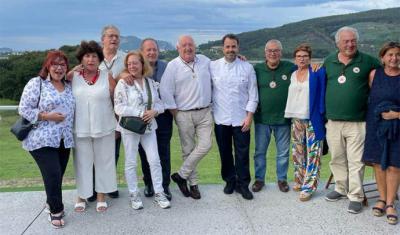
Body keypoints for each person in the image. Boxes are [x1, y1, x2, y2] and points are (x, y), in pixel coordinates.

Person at [323, 26, 381, 214]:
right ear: (338, 43)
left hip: (358, 121)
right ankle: (340, 188)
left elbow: (389, 70)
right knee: (337, 158)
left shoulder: (368, 61)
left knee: (356, 160)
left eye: (352, 40)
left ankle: (356, 196)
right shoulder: (328, 61)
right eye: (346, 41)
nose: (350, 44)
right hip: (332, 121)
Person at [18, 50, 75, 228]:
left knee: (57, 176)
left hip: (64, 140)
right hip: (41, 139)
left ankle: (51, 202)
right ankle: (56, 210)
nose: (59, 68)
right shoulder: (37, 83)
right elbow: (24, 109)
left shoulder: (68, 86)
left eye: (62, 64)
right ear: (48, 66)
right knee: (53, 173)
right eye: (55, 64)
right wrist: (47, 116)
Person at [115, 51, 170, 209]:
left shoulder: (150, 83)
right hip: (130, 128)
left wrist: (154, 112)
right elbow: (119, 107)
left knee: (154, 160)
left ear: (142, 64)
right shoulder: (123, 84)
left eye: (135, 63)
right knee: (131, 161)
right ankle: (134, 194)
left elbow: (160, 104)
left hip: (149, 127)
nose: (132, 66)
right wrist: (139, 113)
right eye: (129, 64)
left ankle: (159, 192)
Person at [160, 35, 213, 199]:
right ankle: (193, 184)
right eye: (184, 45)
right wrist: (175, 112)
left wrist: (239, 59)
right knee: (187, 150)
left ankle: (181, 175)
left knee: (206, 145)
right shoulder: (172, 66)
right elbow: (165, 90)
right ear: (178, 48)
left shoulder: (205, 61)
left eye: (190, 45)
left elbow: (221, 69)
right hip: (184, 113)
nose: (188, 48)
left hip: (205, 112)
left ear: (195, 46)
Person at [69, 40, 118, 213]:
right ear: (81, 59)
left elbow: (116, 101)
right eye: (87, 56)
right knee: (82, 163)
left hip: (105, 126)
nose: (90, 60)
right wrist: (72, 70)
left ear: (99, 59)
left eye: (94, 56)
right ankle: (81, 196)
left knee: (104, 162)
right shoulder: (72, 77)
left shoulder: (107, 76)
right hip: (80, 128)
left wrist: (118, 126)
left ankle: (101, 196)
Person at [210, 34, 258, 200]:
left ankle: (243, 185)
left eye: (233, 47)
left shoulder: (247, 68)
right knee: (225, 152)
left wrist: (249, 116)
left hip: (241, 119)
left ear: (238, 48)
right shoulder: (212, 66)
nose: (231, 50)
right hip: (220, 119)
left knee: (242, 154)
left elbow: (253, 95)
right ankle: (229, 181)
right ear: (222, 48)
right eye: (228, 47)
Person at [362, 41, 400, 225]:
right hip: (375, 126)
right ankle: (382, 199)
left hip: (397, 128)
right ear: (382, 57)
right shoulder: (374, 75)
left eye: (397, 54)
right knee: (378, 163)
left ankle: (391, 203)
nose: (394, 58)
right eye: (390, 54)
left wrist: (397, 114)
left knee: (394, 165)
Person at [284, 44, 326, 202]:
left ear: (310, 58)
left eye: (305, 56)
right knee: (298, 152)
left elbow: (322, 94)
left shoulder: (317, 72)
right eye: (299, 56)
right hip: (296, 117)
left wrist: (322, 115)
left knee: (314, 153)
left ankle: (309, 187)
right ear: (295, 59)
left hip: (312, 118)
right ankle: (299, 179)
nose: (302, 59)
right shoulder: (293, 73)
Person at [252, 39, 293, 193]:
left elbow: (305, 70)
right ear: (265, 53)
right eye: (270, 51)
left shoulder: (290, 67)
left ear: (280, 53)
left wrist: (314, 67)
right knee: (260, 152)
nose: (273, 53)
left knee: (283, 153)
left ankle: (282, 179)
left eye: (276, 50)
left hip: (283, 119)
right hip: (262, 119)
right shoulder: (256, 69)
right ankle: (259, 179)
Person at [138, 38, 172, 200]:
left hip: (163, 116)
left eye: (154, 50)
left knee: (163, 151)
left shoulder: (167, 67)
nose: (152, 53)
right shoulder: (136, 68)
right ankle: (149, 183)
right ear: (142, 52)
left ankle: (164, 186)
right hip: (143, 117)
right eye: (148, 50)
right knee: (145, 152)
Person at [96, 25, 127, 199]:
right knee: (95, 151)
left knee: (113, 151)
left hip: (117, 112)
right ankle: (94, 186)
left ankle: (109, 184)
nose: (114, 39)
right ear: (103, 39)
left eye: (116, 36)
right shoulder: (94, 57)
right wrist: (116, 78)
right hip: (97, 110)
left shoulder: (124, 58)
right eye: (110, 36)